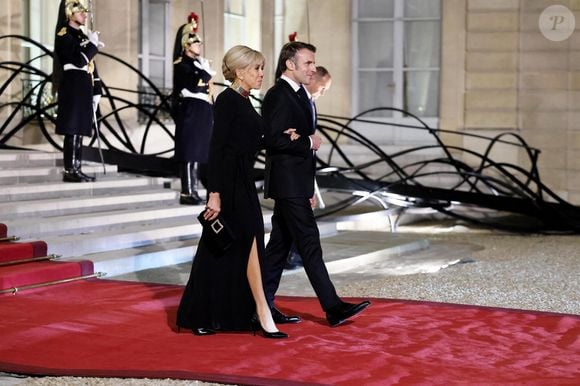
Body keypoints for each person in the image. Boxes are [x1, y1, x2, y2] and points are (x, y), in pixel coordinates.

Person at [176, 45, 290, 339]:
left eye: (262, 68)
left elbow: (250, 140)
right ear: (239, 72)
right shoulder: (227, 100)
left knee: (227, 247)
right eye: (256, 68)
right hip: (228, 184)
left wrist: (286, 137)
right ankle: (259, 311)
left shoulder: (244, 100)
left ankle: (238, 312)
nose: (262, 73)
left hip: (243, 183)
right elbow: (217, 148)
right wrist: (214, 193)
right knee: (229, 244)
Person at [261, 41, 370, 327]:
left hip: (297, 184)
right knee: (309, 243)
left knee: (278, 249)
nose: (313, 69)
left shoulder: (300, 95)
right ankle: (332, 307)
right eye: (308, 63)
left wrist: (309, 187)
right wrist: (307, 141)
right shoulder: (277, 95)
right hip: (287, 184)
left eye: (312, 63)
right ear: (290, 64)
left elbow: (294, 141)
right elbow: (272, 139)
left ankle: (259, 306)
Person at [285, 65, 333, 270]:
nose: (323, 93)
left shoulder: (310, 102)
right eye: (322, 88)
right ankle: (295, 255)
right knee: (298, 220)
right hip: (293, 169)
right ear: (313, 79)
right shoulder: (297, 100)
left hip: (304, 167)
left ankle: (293, 255)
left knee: (295, 220)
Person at [53, 0, 103, 183]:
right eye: (81, 12)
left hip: (83, 85)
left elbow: (91, 66)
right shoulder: (64, 34)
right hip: (72, 84)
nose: (84, 15)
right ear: (69, 14)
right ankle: (69, 169)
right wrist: (93, 46)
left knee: (80, 129)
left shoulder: (81, 35)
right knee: (72, 129)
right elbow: (80, 60)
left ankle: (77, 168)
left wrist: (97, 88)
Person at [172, 17, 215, 205]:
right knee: (189, 152)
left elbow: (206, 89)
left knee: (198, 153)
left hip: (203, 110)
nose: (199, 45)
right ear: (186, 45)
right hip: (191, 109)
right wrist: (205, 72)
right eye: (196, 42)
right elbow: (194, 86)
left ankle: (195, 189)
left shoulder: (197, 65)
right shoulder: (181, 64)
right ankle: (187, 191)